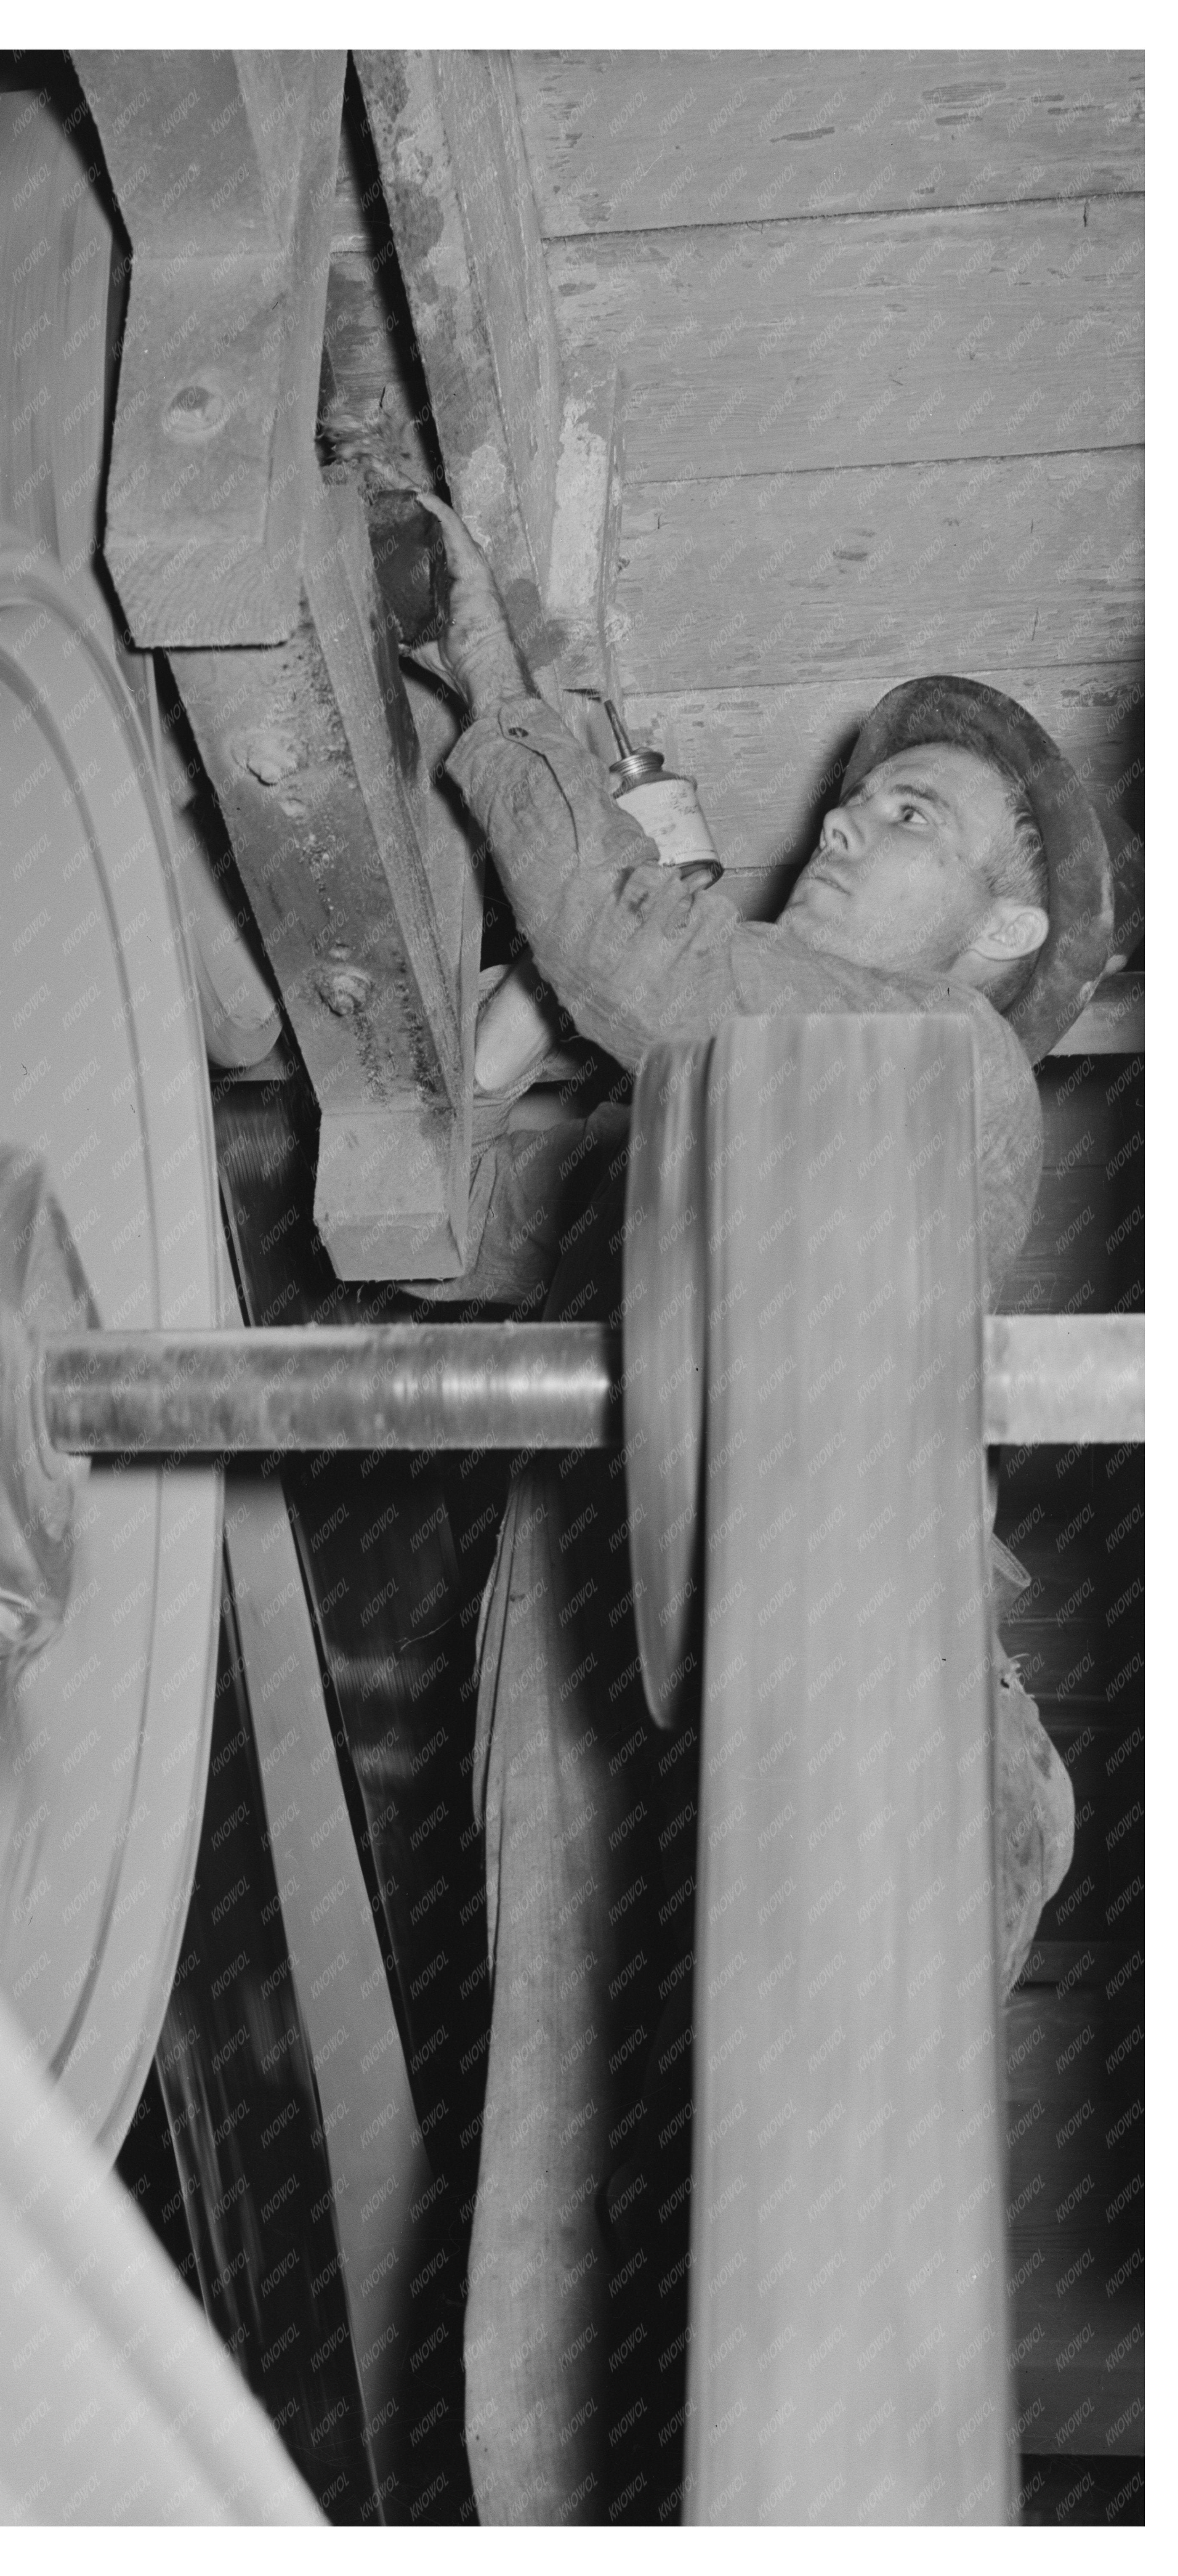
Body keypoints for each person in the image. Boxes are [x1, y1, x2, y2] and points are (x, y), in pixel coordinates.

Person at [398, 493, 1133, 2523]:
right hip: (616, 1621)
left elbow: (645, 959)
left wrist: (512, 709)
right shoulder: (747, 1052)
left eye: (912, 819)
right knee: (559, 2226)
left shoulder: (930, 1060)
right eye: (866, 795)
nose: (853, 824)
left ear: (996, 937)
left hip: (849, 1673)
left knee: (791, 2289)